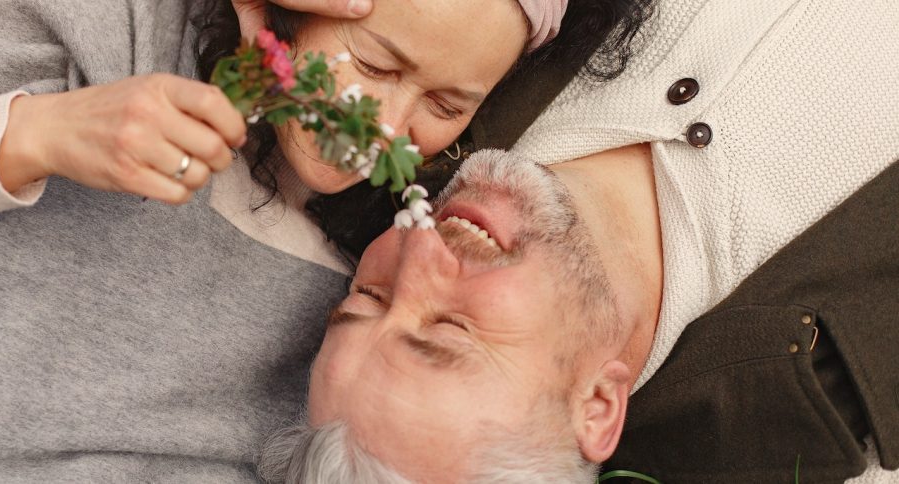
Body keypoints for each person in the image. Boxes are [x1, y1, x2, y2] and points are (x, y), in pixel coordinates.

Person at [0, 0, 652, 482]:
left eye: (444, 106)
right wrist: (36, 136)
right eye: (378, 64)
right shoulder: (113, 27)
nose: (385, 122)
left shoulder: (350, 327)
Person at [262, 0, 899, 481]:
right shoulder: (850, 394)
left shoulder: (379, 108)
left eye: (367, 297)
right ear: (596, 406)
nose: (420, 249)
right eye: (451, 329)